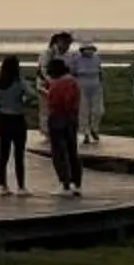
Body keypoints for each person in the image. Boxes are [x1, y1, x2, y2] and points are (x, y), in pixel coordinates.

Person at [41, 39, 84, 194]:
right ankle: (77, 182)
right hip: (72, 119)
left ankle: (65, 183)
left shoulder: (57, 84)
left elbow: (56, 102)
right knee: (72, 151)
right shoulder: (73, 82)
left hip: (58, 118)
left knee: (59, 152)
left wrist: (45, 93)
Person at [0, 54, 32, 192]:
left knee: (4, 154)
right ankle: (21, 186)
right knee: (19, 154)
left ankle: (3, 185)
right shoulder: (19, 82)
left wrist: (0, 106)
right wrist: (24, 101)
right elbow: (32, 93)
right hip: (17, 118)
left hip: (3, 119)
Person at [69, 39, 103, 144]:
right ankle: (85, 133)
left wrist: (101, 83)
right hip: (81, 86)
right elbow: (72, 73)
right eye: (86, 49)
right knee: (83, 111)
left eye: (91, 49)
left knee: (98, 110)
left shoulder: (97, 58)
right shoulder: (76, 59)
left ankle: (94, 129)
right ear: (82, 50)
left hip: (95, 86)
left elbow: (100, 72)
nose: (89, 51)